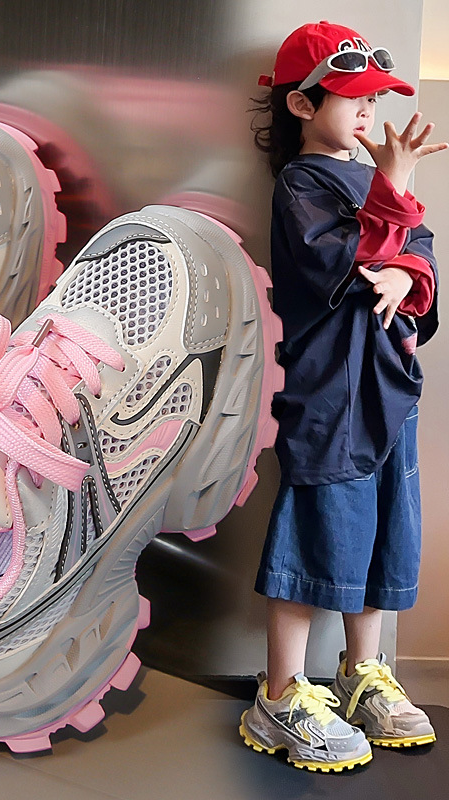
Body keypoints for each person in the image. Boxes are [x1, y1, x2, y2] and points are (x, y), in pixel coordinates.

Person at [240, 21, 446, 773]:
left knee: (385, 522)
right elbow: (343, 262)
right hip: (332, 389)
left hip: (389, 387)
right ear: (301, 104)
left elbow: (418, 257)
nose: (367, 111)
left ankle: (363, 674)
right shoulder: (303, 185)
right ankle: (280, 693)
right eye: (352, 97)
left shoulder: (372, 181)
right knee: (319, 518)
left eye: (375, 99)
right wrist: (395, 195)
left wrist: (406, 274)